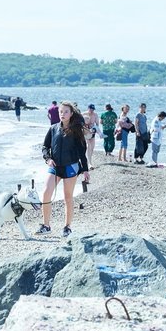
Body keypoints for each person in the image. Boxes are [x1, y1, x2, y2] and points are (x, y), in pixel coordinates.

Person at [37, 101, 90, 237]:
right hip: (55, 167)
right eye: (61, 111)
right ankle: (46, 225)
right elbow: (44, 147)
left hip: (70, 167)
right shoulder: (53, 128)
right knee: (46, 193)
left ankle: (67, 227)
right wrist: (48, 159)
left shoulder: (76, 131)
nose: (63, 114)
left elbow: (82, 152)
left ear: (71, 114)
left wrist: (85, 170)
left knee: (68, 197)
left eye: (66, 111)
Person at [83, 104, 101, 169]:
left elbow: (97, 124)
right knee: (88, 146)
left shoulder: (95, 115)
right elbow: (80, 124)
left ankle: (88, 161)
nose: (92, 110)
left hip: (92, 133)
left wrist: (95, 130)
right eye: (91, 109)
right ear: (88, 108)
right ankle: (89, 163)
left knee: (92, 148)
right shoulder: (83, 114)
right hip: (85, 133)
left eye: (93, 109)